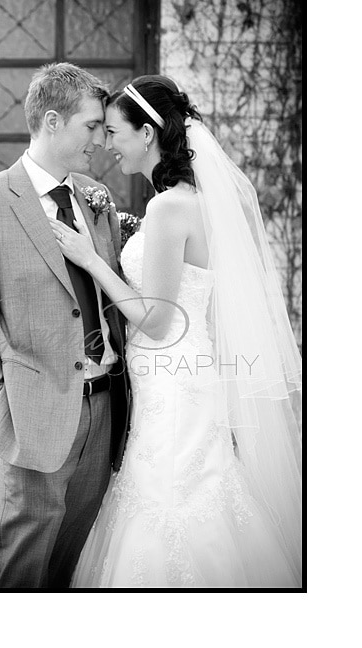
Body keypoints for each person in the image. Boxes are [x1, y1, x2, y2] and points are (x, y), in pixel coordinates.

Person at [49, 74, 302, 588]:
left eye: (113, 132)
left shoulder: (167, 208)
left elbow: (157, 319)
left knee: (167, 499)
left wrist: (90, 259)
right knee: (198, 490)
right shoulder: (191, 201)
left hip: (170, 381)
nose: (107, 144)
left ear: (146, 134)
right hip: (184, 375)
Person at [0, 62, 130, 589]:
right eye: (91, 126)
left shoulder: (94, 196)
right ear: (52, 121)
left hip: (104, 409)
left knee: (78, 565)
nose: (101, 140)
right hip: (32, 418)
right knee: (24, 571)